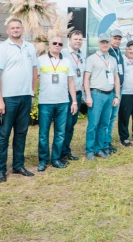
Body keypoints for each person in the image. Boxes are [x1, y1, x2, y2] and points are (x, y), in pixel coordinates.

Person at [0, 19, 38, 183]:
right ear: (7, 30)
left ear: (22, 29)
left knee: (21, 133)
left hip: (25, 97)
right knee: (3, 134)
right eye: (12, 28)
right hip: (7, 98)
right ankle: (0, 169)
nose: (15, 30)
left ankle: (18, 165)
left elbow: (34, 73)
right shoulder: (2, 48)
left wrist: (32, 94)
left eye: (18, 27)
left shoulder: (30, 47)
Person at [36, 36, 78, 171]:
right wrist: (32, 95)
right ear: (49, 44)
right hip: (45, 102)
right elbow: (34, 78)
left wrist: (74, 101)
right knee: (43, 133)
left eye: (60, 44)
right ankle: (43, 160)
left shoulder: (66, 61)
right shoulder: (40, 60)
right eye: (54, 43)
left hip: (63, 102)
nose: (57, 45)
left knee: (60, 133)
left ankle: (55, 159)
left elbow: (71, 82)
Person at [83, 33, 120, 160]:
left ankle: (99, 149)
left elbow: (116, 78)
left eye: (106, 42)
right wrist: (88, 96)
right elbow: (86, 78)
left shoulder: (113, 60)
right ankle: (89, 150)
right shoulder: (91, 59)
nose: (105, 44)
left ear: (110, 43)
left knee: (104, 124)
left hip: (109, 95)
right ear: (99, 43)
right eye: (102, 42)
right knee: (93, 124)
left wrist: (117, 96)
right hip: (96, 94)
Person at [60, 30, 85, 161]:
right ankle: (60, 152)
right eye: (75, 39)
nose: (78, 41)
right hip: (67, 95)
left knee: (72, 124)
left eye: (80, 39)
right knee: (65, 124)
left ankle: (66, 150)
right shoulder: (63, 53)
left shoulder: (81, 54)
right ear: (69, 39)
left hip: (78, 94)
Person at [107, 29, 125, 152]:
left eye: (119, 39)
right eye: (115, 38)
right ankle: (104, 142)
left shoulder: (118, 51)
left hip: (119, 89)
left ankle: (107, 141)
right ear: (110, 38)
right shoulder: (107, 51)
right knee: (106, 117)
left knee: (113, 117)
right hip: (110, 89)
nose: (117, 41)